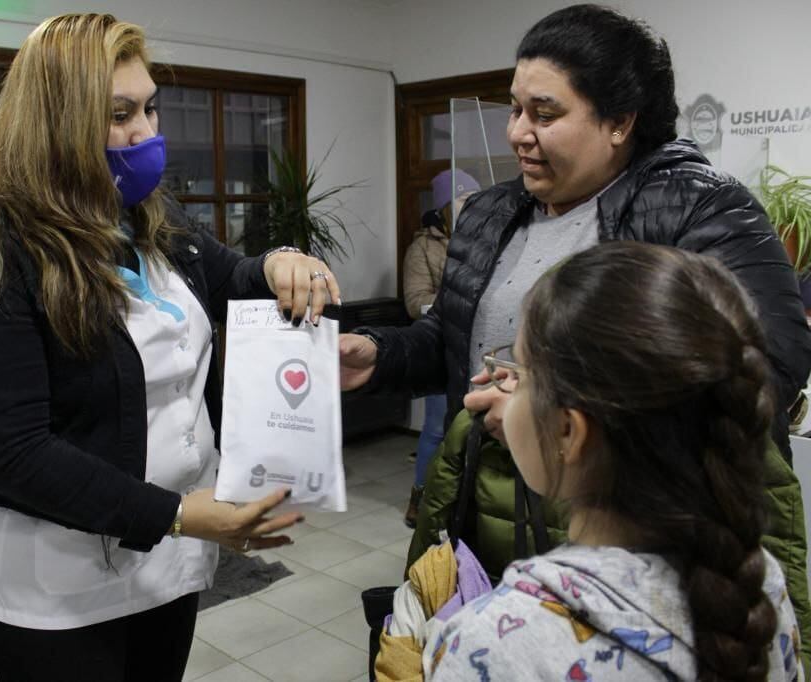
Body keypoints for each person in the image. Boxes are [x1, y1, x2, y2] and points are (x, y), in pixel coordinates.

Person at [340, 2, 811, 658]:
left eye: (545, 113)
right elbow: (454, 336)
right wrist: (379, 355)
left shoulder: (700, 209)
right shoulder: (490, 216)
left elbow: (759, 373)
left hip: (641, 546)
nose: (517, 133)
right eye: (513, 108)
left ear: (620, 120)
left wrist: (554, 403)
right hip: (497, 524)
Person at [0, 13, 340, 681]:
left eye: (149, 108)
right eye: (119, 114)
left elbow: (230, 275)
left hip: (167, 560)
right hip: (59, 586)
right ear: (56, 124)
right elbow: (17, 455)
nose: (145, 132)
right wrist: (179, 514)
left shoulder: (152, 220)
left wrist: (280, 263)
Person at [425, 241, 803, 681]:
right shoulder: (759, 588)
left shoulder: (493, 643)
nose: (506, 388)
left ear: (569, 431)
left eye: (522, 371)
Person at [402, 169, 479, 528]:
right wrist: (458, 302)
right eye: (464, 200)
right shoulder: (423, 248)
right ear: (446, 206)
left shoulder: (485, 237)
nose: (471, 206)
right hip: (442, 345)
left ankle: (462, 497)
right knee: (436, 428)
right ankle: (420, 495)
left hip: (477, 345)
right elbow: (415, 302)